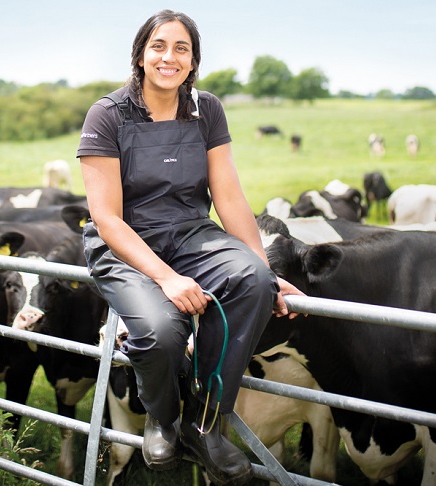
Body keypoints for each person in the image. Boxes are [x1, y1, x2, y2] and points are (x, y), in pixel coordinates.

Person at [77, 9, 304, 485]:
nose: (169, 57)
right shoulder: (108, 114)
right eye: (159, 46)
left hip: (190, 234)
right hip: (126, 245)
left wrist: (263, 268)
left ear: (194, 60)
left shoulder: (207, 109)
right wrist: (166, 278)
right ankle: (162, 419)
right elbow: (108, 218)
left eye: (182, 48)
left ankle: (207, 423)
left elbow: (228, 197)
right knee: (160, 329)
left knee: (255, 283)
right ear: (140, 54)